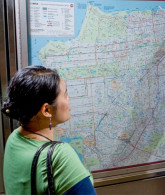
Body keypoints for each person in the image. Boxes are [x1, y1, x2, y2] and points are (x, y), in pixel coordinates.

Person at [1, 66, 96, 195]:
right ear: (46, 110)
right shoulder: (60, 155)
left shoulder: (14, 138)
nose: (68, 99)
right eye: (65, 94)